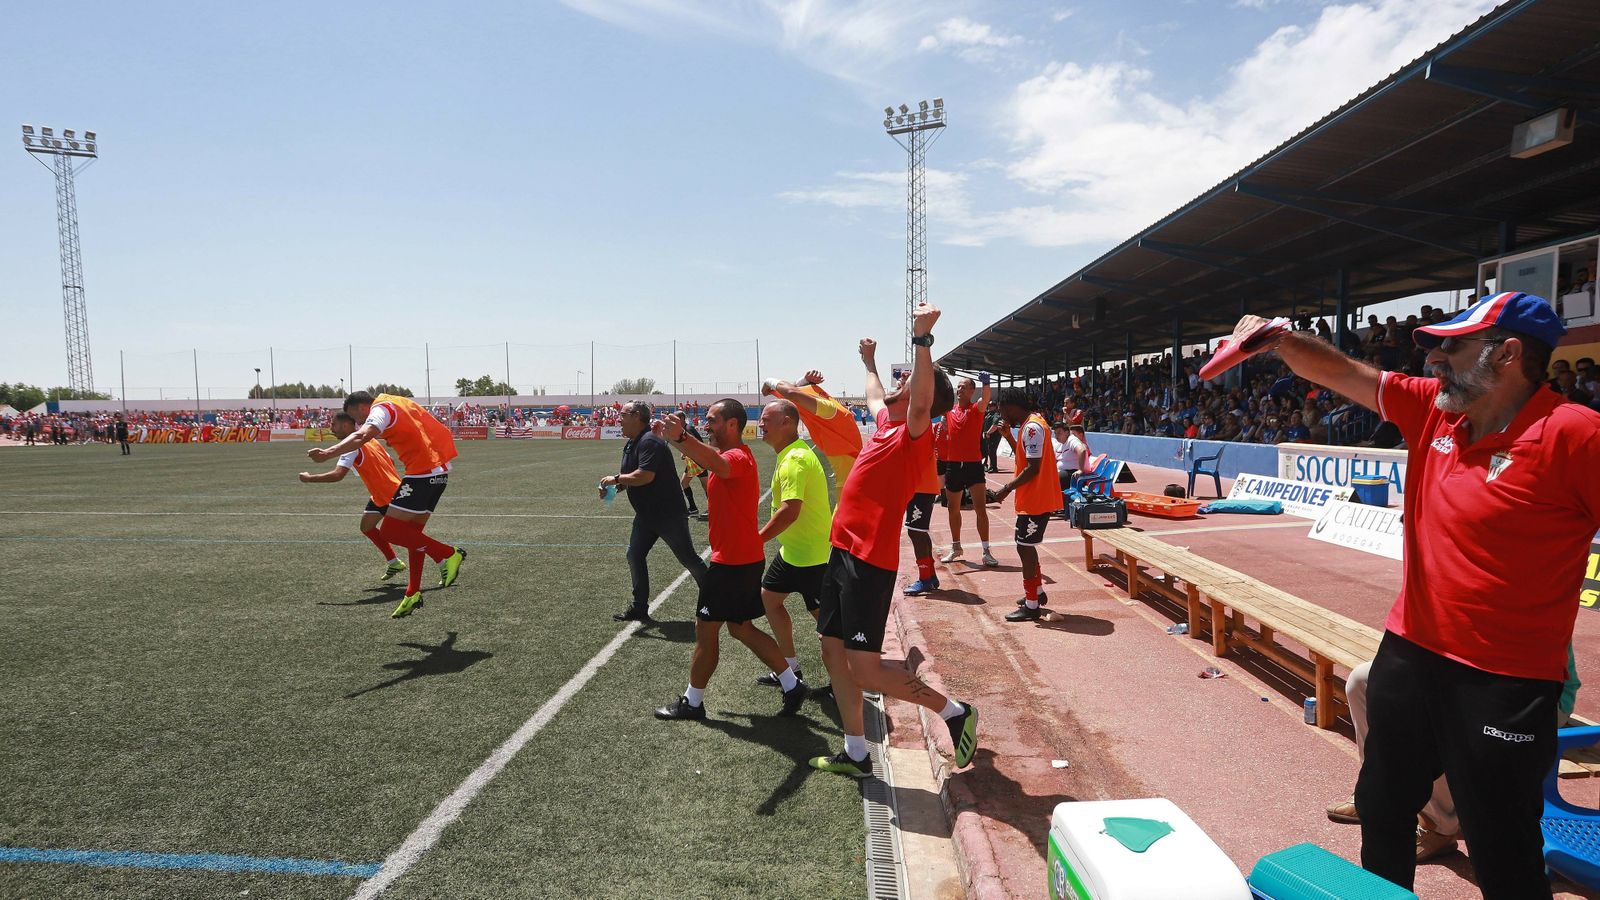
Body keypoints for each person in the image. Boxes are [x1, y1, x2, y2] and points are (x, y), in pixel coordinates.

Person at [1228, 291, 1600, 895]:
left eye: (1453, 346)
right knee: (1382, 805)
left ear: (1508, 354)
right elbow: (1344, 373)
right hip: (1410, 652)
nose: (1434, 359)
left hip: (1505, 678)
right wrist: (1279, 340)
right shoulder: (1434, 410)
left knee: (1502, 845)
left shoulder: (1574, 434)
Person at [808, 304, 977, 780]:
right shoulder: (886, 425)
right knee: (831, 649)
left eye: (909, 380)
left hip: (868, 563)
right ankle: (856, 750)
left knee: (865, 670)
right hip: (842, 551)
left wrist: (923, 340)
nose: (898, 383)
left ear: (923, 394)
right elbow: (875, 394)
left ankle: (954, 712)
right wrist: (868, 363)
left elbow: (920, 403)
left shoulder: (914, 436)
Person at [1325, 647, 1582, 864]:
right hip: (1459, 670)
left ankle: (1440, 825)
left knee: (1436, 708)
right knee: (1363, 680)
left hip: (1534, 692)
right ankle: (1381, 789)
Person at [653, 400, 807, 720]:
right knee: (741, 628)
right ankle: (792, 685)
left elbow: (717, 463)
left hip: (732, 563)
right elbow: (708, 459)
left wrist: (681, 437)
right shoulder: (731, 455)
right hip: (742, 559)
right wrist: (674, 439)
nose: (706, 425)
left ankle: (693, 702)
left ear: (733, 424)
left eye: (712, 420)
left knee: (706, 630)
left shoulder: (736, 457)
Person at [309, 390, 467, 618]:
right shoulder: (396, 401)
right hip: (437, 472)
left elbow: (361, 436)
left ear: (362, 407)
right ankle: (412, 592)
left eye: (356, 416)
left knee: (390, 531)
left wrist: (327, 453)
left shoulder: (380, 410)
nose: (358, 421)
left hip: (422, 474)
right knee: (412, 536)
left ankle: (448, 554)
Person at [752, 398, 834, 693]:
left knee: (828, 626)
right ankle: (790, 667)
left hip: (811, 557)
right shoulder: (791, 452)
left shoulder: (794, 459)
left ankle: (844, 682)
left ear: (786, 422)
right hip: (793, 553)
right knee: (769, 599)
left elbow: (790, 510)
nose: (761, 423)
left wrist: (756, 540)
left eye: (766, 418)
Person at [598, 401, 706, 623]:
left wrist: (615, 479)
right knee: (634, 555)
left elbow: (645, 476)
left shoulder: (650, 441)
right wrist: (615, 488)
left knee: (688, 558)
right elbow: (632, 477)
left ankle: (717, 598)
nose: (618, 419)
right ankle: (639, 607)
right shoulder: (633, 443)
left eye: (622, 414)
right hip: (646, 515)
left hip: (667, 514)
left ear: (636, 416)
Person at [297, 411, 406, 581]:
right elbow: (390, 460)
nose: (331, 428)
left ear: (346, 425)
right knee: (367, 527)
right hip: (383, 494)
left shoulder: (350, 446)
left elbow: (337, 475)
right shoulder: (370, 440)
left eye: (334, 424)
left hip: (388, 496)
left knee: (407, 536)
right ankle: (394, 562)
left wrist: (309, 478)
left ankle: (443, 558)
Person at [990, 388, 1064, 622]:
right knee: (1025, 545)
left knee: (1024, 547)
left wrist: (1006, 488)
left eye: (1002, 410)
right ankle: (1037, 592)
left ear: (1011, 407)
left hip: (1036, 499)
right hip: (1033, 499)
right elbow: (1025, 457)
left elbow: (1033, 468)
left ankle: (1032, 606)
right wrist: (1009, 438)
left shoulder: (1032, 428)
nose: (1002, 415)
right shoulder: (1031, 424)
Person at [762, 371, 864, 484]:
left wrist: (768, 380)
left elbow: (791, 392)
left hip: (853, 482)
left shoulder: (828, 409)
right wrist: (803, 381)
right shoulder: (825, 408)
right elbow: (774, 391)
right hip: (853, 476)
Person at [939, 373, 998, 568]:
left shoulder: (976, 409)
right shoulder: (949, 411)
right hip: (953, 465)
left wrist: (986, 383)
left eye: (964, 387)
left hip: (973, 465)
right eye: (958, 386)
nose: (959, 389)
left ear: (972, 391)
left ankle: (986, 551)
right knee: (952, 508)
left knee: (980, 508)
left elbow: (986, 398)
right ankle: (956, 547)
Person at [902, 385, 943, 597]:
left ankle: (925, 578)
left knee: (915, 531)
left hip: (921, 485)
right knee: (919, 530)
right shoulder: (921, 419)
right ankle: (930, 575)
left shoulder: (920, 418)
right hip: (920, 484)